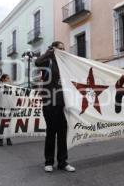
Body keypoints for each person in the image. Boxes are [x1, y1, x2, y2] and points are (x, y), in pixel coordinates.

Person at [35, 41, 75, 173]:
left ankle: (63, 162)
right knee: (51, 133)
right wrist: (49, 52)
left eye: (64, 48)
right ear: (54, 49)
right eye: (60, 48)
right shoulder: (48, 62)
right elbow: (37, 62)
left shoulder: (65, 64)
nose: (63, 50)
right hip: (49, 104)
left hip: (62, 104)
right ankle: (49, 162)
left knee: (62, 133)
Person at [0, 74, 13, 146]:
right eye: (7, 78)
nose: (8, 79)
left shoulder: (11, 87)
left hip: (9, 108)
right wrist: (3, 87)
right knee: (2, 124)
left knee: (8, 124)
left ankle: (8, 139)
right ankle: (0, 140)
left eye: (9, 78)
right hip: (2, 108)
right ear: (3, 79)